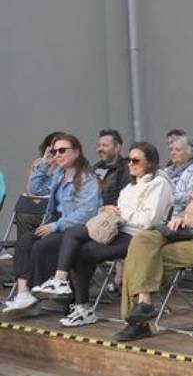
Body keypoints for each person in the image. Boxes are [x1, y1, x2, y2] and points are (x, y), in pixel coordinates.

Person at [31, 142, 173, 327]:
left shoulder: (159, 183)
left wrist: (121, 213)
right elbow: (119, 211)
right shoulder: (130, 187)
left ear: (150, 162)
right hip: (117, 230)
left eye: (136, 160)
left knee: (78, 248)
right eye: (129, 160)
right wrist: (106, 209)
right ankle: (72, 296)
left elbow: (149, 219)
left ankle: (69, 292)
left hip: (139, 237)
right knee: (75, 240)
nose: (130, 164)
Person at [118, 143, 193, 340]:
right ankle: (144, 302)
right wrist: (181, 218)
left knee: (142, 261)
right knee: (141, 241)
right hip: (183, 235)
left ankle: (136, 322)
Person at [2, 134, 102, 317]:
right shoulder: (58, 174)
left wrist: (56, 226)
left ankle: (34, 292)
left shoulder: (87, 178)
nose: (58, 154)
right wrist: (44, 165)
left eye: (62, 150)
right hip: (57, 226)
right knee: (24, 243)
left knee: (42, 246)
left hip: (77, 230)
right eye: (54, 151)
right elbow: (35, 190)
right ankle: (24, 294)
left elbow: (87, 213)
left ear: (77, 152)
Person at [93, 129, 131, 207]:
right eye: (99, 145)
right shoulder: (96, 167)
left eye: (105, 145)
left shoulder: (126, 168)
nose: (100, 149)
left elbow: (125, 195)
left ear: (117, 147)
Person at [163, 134, 193, 216]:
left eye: (177, 150)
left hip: (180, 218)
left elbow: (191, 197)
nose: (173, 153)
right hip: (162, 217)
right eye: (171, 150)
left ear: (189, 152)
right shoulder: (166, 171)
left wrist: (167, 197)